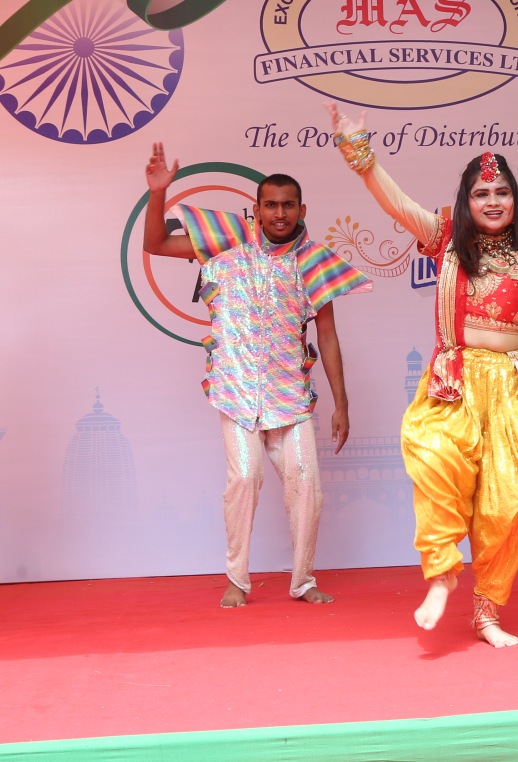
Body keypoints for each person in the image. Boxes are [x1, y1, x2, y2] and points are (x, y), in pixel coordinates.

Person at [329, 105, 518, 647]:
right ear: (466, 202)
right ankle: (442, 572)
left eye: (502, 193)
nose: (492, 202)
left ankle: (487, 612)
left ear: (515, 200)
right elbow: (396, 204)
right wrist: (360, 155)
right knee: (434, 460)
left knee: (504, 505)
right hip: (455, 383)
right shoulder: (448, 242)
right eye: (480, 194)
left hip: (514, 392)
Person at [141, 145, 369, 607]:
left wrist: (341, 403)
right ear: (256, 208)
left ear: (302, 210)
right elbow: (156, 244)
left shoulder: (314, 262)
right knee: (244, 480)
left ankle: (303, 580)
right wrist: (158, 194)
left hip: (290, 397)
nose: (279, 213)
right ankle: (237, 579)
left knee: (307, 485)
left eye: (288, 205)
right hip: (236, 390)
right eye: (271, 205)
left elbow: (326, 336)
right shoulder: (225, 242)